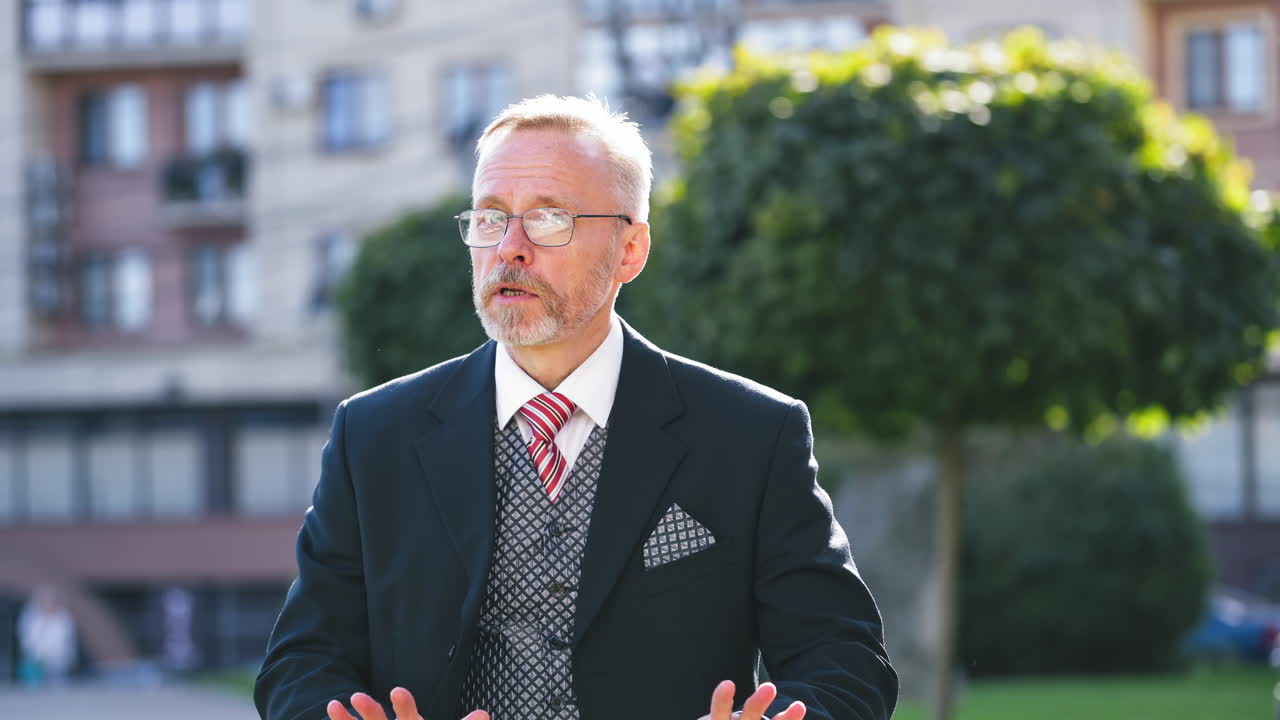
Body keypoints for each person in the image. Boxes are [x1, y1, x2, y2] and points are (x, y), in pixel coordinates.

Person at [254, 95, 897, 720]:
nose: (509, 246)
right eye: (489, 217)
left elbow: (844, 660)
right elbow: (303, 661)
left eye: (549, 217)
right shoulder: (374, 434)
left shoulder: (753, 434)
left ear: (630, 251)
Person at [17, 586, 76, 687]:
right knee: (31, 669)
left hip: (58, 656)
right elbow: (27, 638)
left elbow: (63, 640)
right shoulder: (31, 616)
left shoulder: (63, 617)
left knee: (56, 676)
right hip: (36, 656)